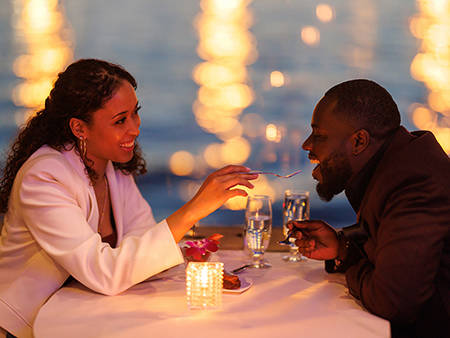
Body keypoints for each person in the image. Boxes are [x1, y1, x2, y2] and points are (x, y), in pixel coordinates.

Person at [0, 59, 257, 338]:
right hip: (27, 325)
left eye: (136, 113)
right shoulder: (44, 178)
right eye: (120, 120)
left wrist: (189, 253)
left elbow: (141, 240)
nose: (134, 128)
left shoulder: (109, 167)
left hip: (83, 315)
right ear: (79, 128)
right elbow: (105, 272)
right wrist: (194, 210)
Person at [290, 79, 449, 338]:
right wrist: (342, 247)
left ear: (359, 141)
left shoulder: (415, 186)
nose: (307, 145)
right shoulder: (397, 165)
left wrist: (354, 268)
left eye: (319, 135)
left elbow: (393, 303)